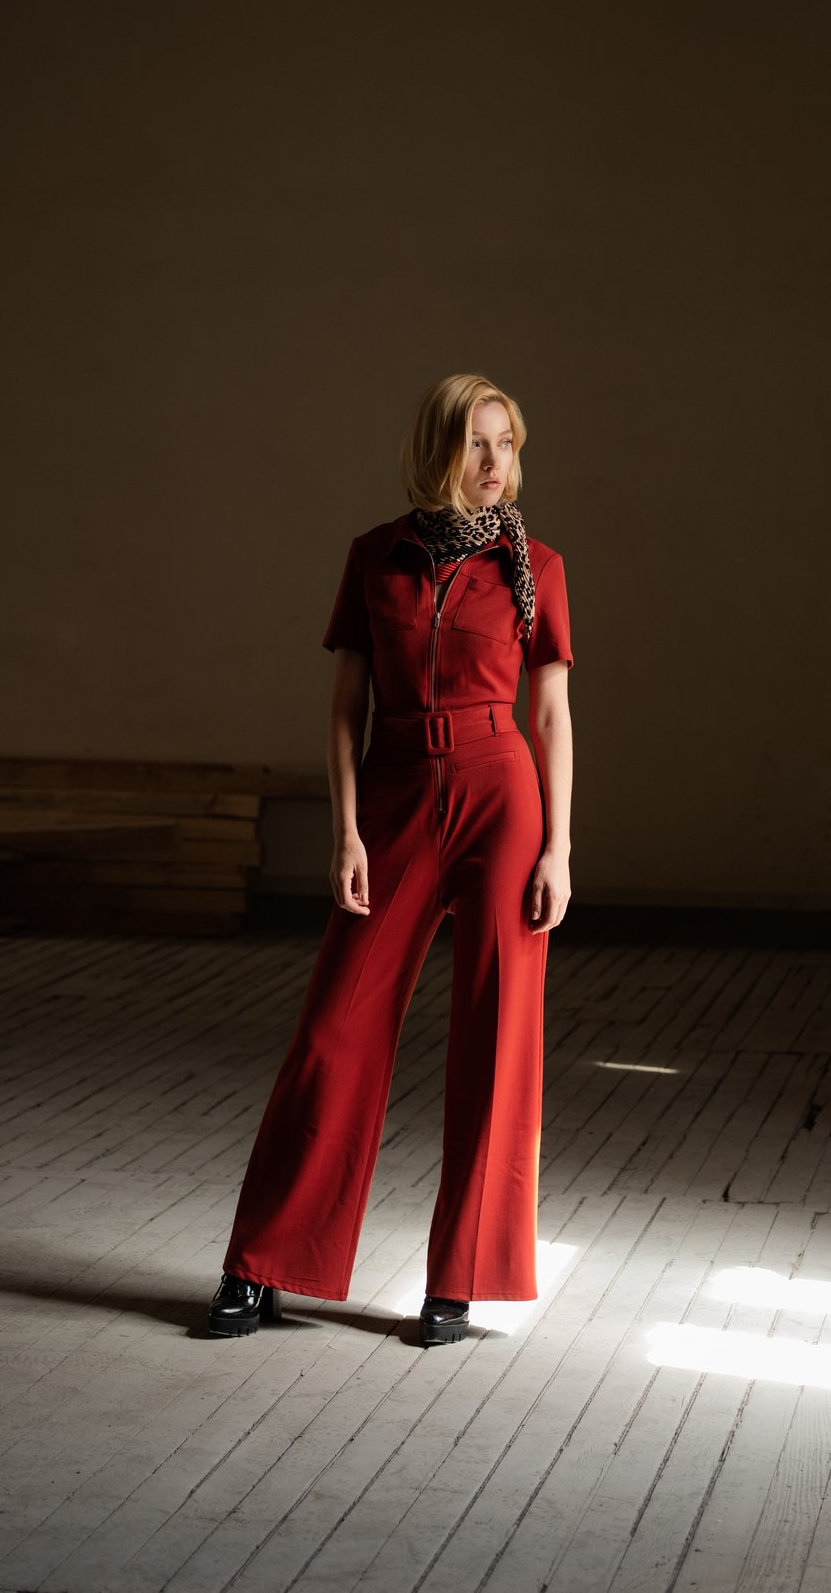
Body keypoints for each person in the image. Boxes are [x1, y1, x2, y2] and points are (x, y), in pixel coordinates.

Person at [208, 373, 575, 1346]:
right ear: (439, 449)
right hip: (398, 791)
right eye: (477, 443)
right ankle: (260, 1268)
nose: (495, 463)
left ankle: (458, 1281)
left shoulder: (535, 564)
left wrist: (561, 849)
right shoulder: (377, 559)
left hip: (504, 794)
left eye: (506, 442)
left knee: (497, 1041)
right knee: (336, 1029)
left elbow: (549, 716)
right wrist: (344, 831)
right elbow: (343, 711)